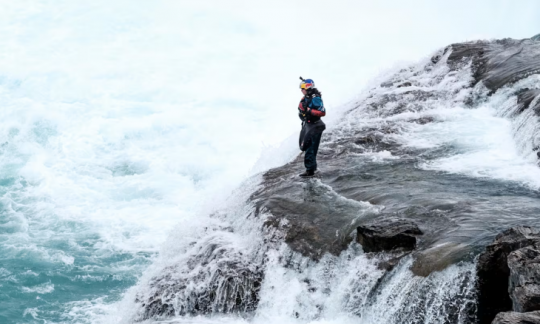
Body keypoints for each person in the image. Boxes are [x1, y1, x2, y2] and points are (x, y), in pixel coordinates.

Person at [298, 77, 326, 177]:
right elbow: (302, 105)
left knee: (310, 148)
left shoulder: (316, 98)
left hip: (315, 125)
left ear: (308, 88)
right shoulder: (306, 97)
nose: (301, 90)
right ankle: (312, 168)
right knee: (306, 146)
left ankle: (310, 171)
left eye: (303, 88)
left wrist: (309, 111)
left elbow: (322, 112)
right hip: (308, 124)